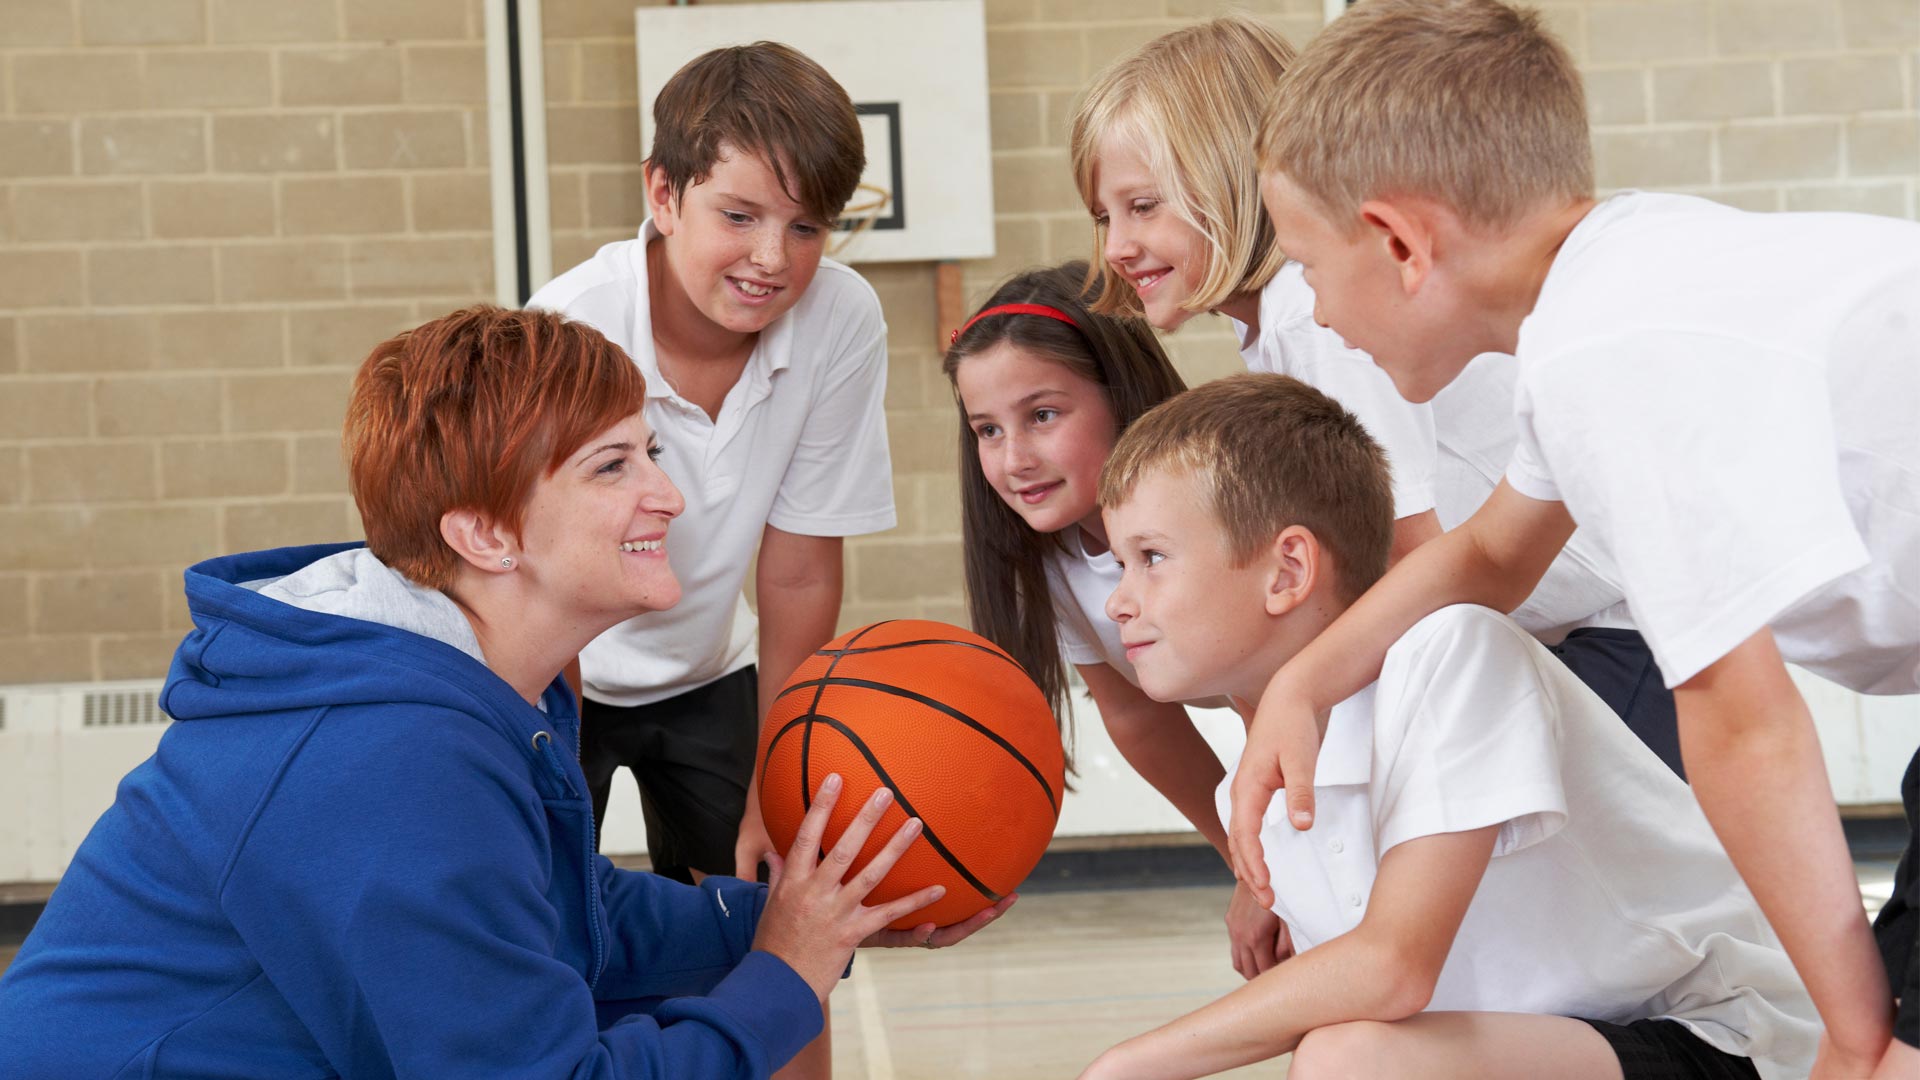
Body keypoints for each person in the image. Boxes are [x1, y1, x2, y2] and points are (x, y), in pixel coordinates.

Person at [0, 306, 1008, 1080]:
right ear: (484, 533)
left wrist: (802, 917)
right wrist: (786, 975)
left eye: (649, 453)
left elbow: (568, 916)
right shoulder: (387, 761)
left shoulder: (461, 688)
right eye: (613, 466)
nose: (667, 494)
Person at [1228, 2, 1920, 1076]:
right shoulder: (1614, 283)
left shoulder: (1608, 356)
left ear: (1404, 243)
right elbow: (1495, 555)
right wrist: (1305, 684)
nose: (1316, 312)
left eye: (1311, 269)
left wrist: (1848, 1034)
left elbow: (1743, 725)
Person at [1080, 373, 1817, 1080]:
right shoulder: (1257, 788)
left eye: (1151, 559)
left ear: (1287, 571)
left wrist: (1130, 1061)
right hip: (1550, 1051)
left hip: (1722, 1043)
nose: (1119, 603)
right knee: (1351, 1047)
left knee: (1350, 1058)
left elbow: (1392, 967)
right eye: (1119, 565)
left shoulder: (1452, 649)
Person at [1066, 14, 1684, 776]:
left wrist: (1309, 694)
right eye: (1103, 217)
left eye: (1143, 206)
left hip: (1608, 639)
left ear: (1227, 176)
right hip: (1548, 631)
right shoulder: (1281, 321)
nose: (1116, 246)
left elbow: (1407, 547)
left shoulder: (1313, 313)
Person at [526, 42, 894, 891]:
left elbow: (799, 573)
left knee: (774, 916)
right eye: (739, 216)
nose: (773, 257)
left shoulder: (841, 318)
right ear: (664, 194)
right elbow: (544, 577)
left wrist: (780, 780)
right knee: (549, 922)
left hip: (712, 671)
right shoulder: (570, 326)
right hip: (557, 661)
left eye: (805, 228)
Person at [943, 262, 1288, 977]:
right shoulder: (1053, 552)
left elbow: (1279, 695)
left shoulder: (1214, 505)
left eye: (1042, 415)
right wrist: (1245, 862)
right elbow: (1139, 720)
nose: (1015, 460)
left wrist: (1274, 862)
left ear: (1120, 392)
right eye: (987, 429)